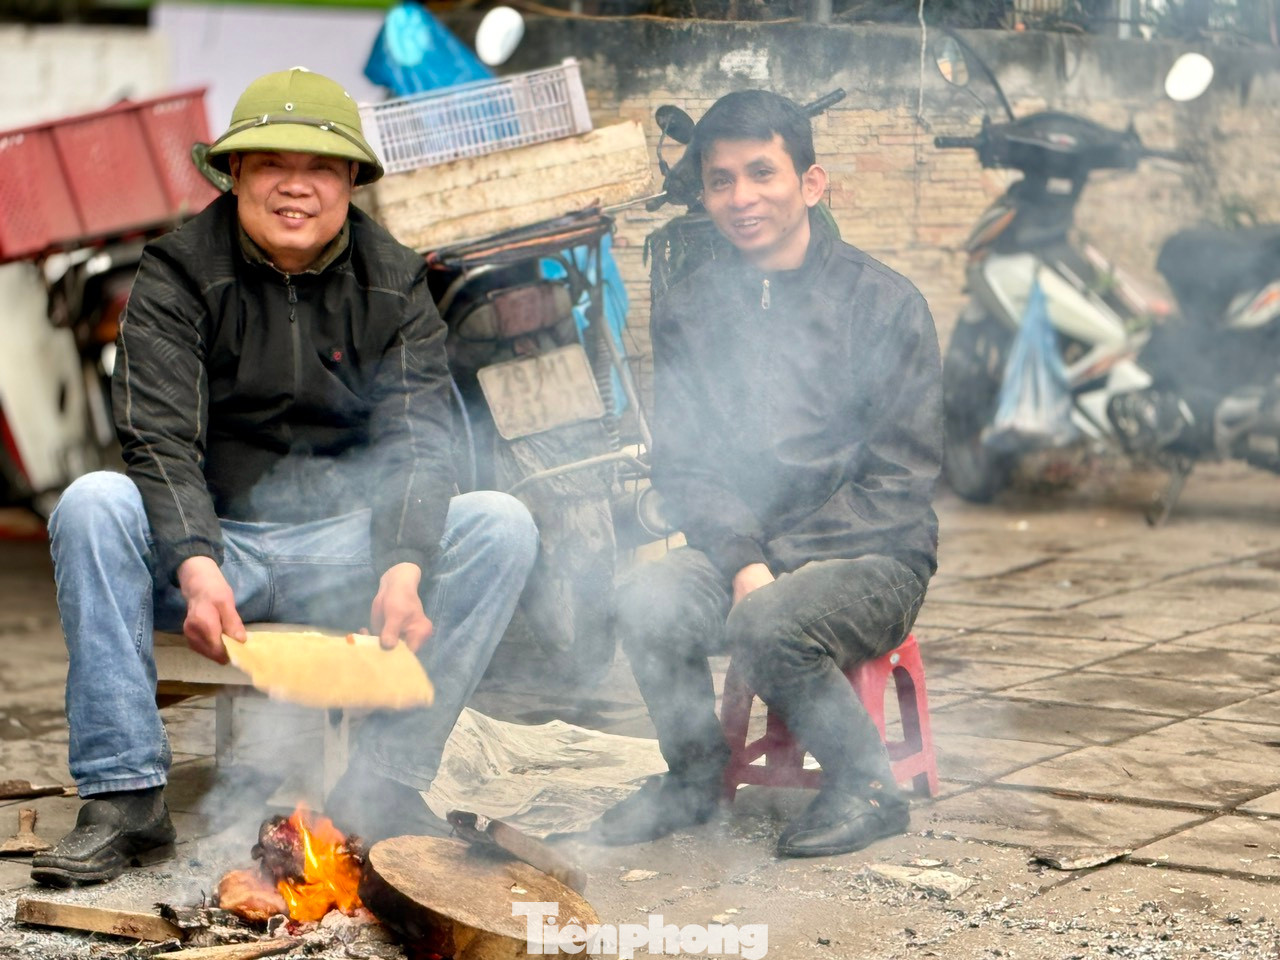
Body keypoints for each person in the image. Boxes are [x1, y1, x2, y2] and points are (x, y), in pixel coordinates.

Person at [31, 67, 539, 887]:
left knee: (500, 522)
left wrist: (405, 564)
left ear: (350, 182)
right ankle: (125, 797)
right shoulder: (177, 270)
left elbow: (422, 439)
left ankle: (382, 786)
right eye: (270, 164)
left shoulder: (397, 279)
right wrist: (197, 565)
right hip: (218, 551)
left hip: (354, 556)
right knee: (93, 504)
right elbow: (156, 434)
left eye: (321, 168)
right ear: (234, 175)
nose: (295, 188)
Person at [594, 90, 941, 858]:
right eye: (721, 180)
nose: (741, 197)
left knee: (770, 618)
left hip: (874, 554)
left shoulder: (884, 305)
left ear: (810, 183)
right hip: (742, 549)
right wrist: (744, 557)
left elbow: (900, 482)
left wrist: (773, 566)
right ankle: (692, 777)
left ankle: (867, 787)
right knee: (645, 596)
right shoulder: (690, 307)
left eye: (762, 173)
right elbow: (686, 462)